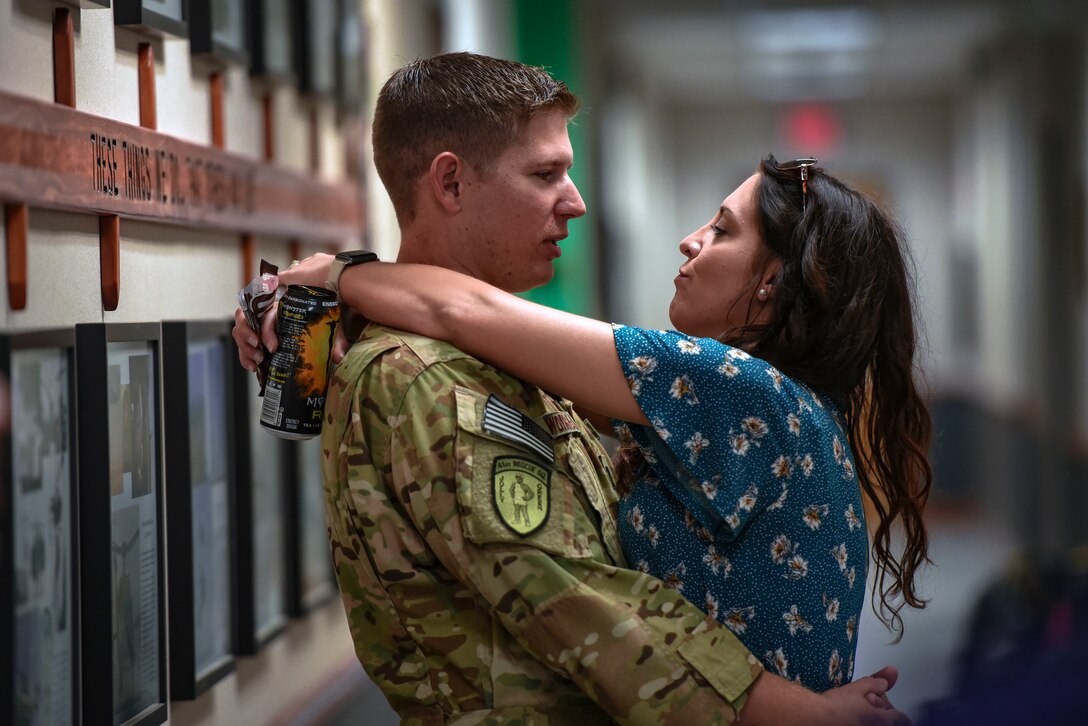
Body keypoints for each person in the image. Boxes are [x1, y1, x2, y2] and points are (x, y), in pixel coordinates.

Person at [235, 52, 909, 724]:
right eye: (545, 173)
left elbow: (461, 313)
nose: (578, 201)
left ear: (773, 282)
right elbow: (576, 597)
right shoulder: (425, 373)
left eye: (722, 229)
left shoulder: (725, 387)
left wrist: (336, 280)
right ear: (450, 182)